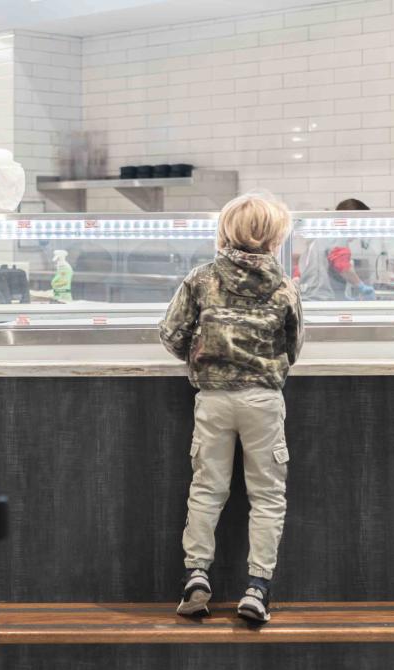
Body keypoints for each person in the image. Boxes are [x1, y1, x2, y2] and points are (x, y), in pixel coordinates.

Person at [159, 193, 303, 625]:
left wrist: (202, 356)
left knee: (207, 490)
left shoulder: (201, 279)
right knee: (267, 497)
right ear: (276, 237)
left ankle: (196, 575)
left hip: (214, 400)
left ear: (225, 231)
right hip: (262, 400)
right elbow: (292, 348)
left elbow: (170, 335)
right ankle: (257, 589)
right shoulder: (284, 286)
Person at [297, 198, 377, 301]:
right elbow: (342, 265)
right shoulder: (338, 234)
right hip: (320, 298)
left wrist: (343, 298)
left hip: (312, 296)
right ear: (353, 219)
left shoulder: (323, 234)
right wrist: (361, 287)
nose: (362, 230)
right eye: (362, 224)